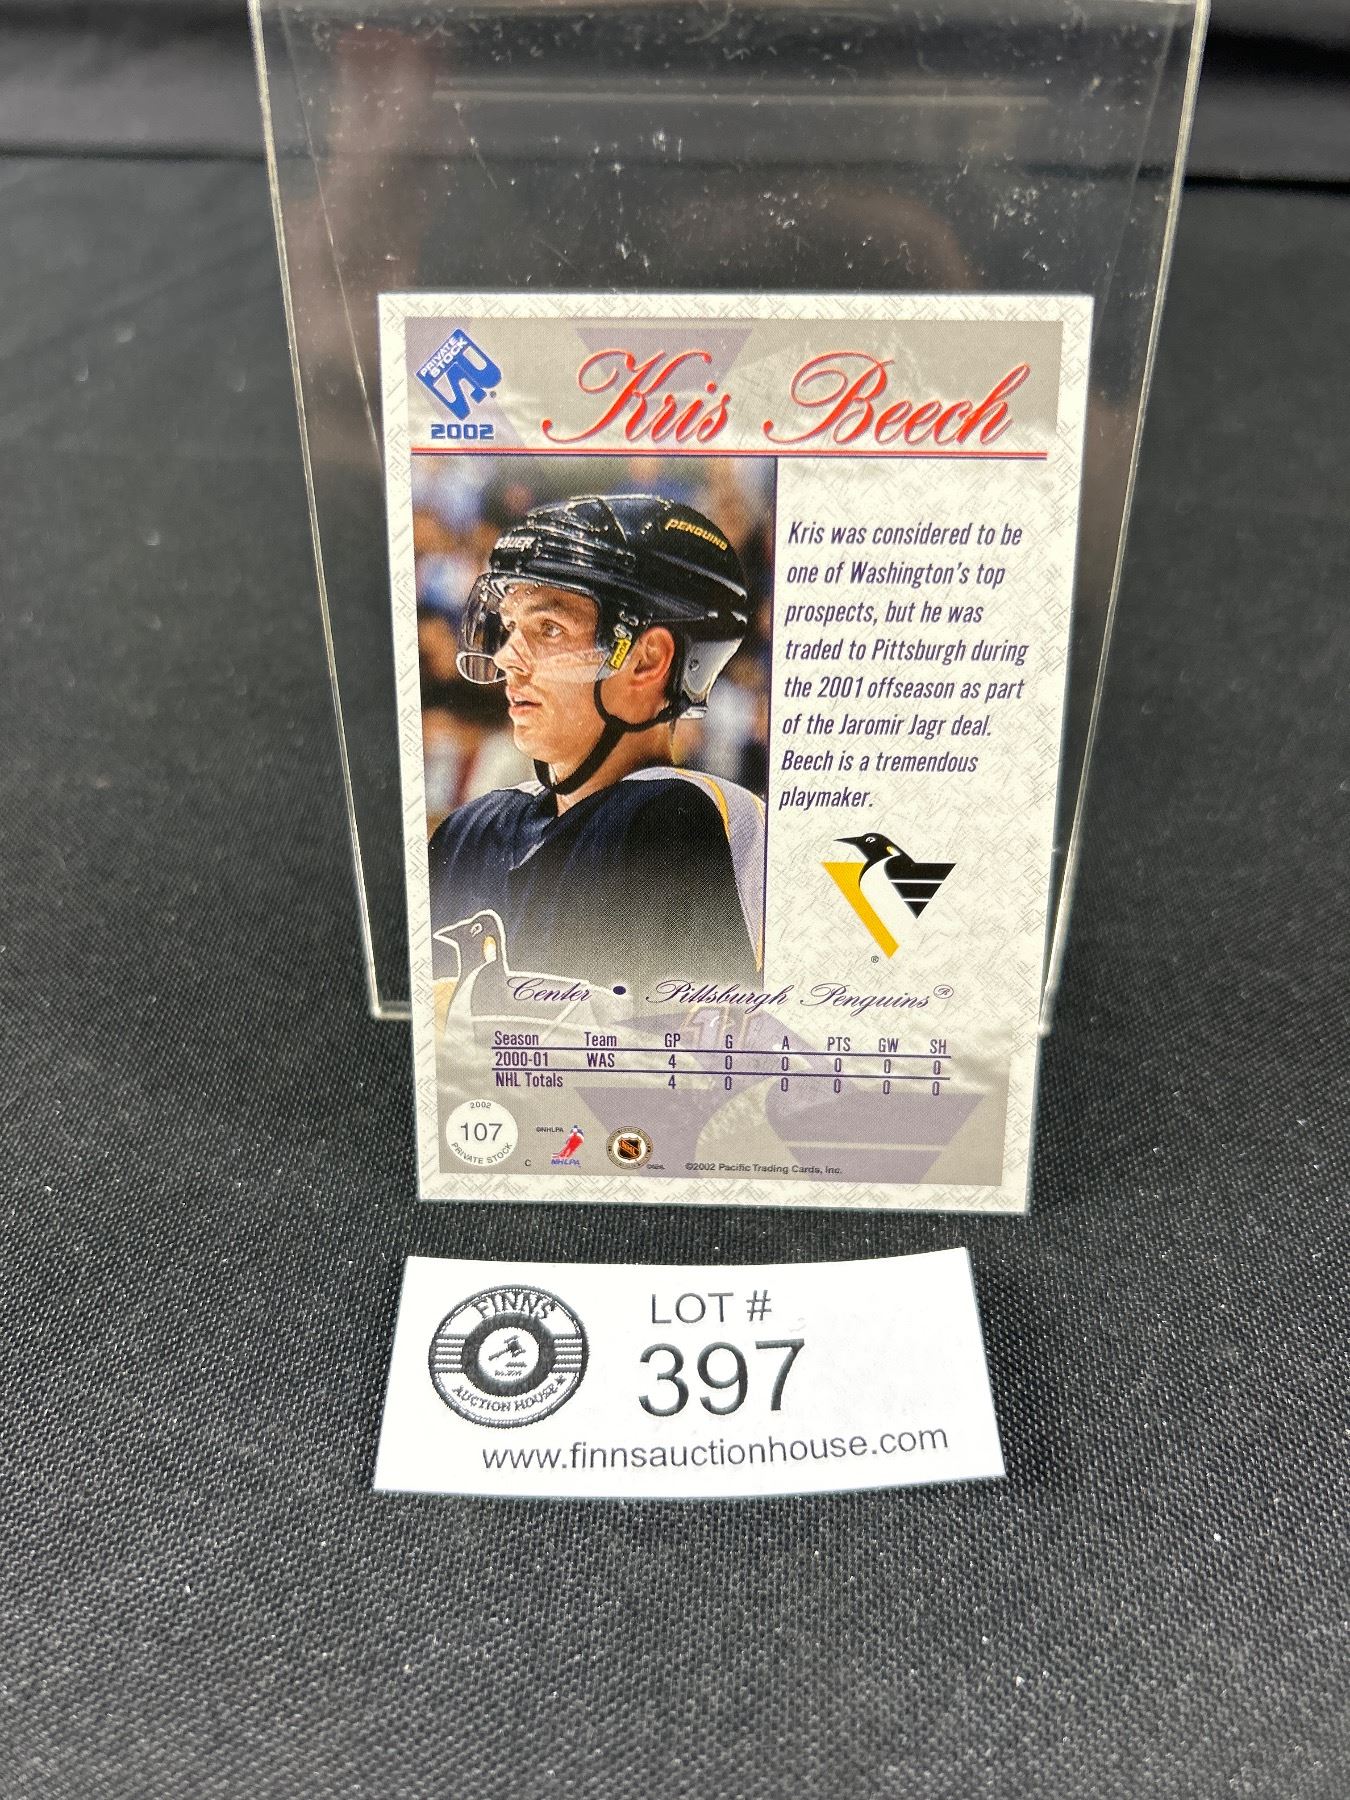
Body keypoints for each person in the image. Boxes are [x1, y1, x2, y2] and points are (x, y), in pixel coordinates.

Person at [427, 493, 765, 999]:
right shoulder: (470, 832)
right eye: (512, 627)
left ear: (647, 660)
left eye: (548, 628)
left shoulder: (674, 818)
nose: (506, 658)